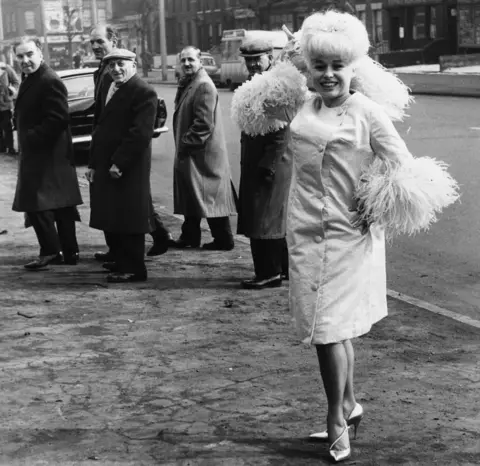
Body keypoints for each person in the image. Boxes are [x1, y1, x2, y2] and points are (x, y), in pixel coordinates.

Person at [233, 11, 459, 463]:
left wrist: (375, 202)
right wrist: (293, 58)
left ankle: (337, 419)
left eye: (338, 66)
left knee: (327, 331)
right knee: (332, 330)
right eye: (319, 66)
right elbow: (251, 109)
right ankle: (351, 404)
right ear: (309, 69)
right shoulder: (300, 103)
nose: (329, 75)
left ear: (356, 66)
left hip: (348, 236)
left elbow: (406, 169)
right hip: (302, 231)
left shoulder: (368, 113)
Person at [89, 24, 172, 261]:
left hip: (122, 155)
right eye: (92, 42)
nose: (95, 46)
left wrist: (119, 158)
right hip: (108, 152)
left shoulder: (122, 75)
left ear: (114, 40)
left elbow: (137, 129)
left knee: (129, 205)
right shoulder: (103, 71)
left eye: (100, 41)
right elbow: (100, 115)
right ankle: (121, 252)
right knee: (119, 204)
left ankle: (137, 250)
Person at [85, 49, 158, 283]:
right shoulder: (112, 87)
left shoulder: (143, 91)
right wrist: (94, 163)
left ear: (133, 65)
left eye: (121, 64)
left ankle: (135, 269)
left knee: (130, 216)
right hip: (108, 162)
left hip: (129, 165)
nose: (116, 69)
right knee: (115, 213)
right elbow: (101, 128)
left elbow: (140, 133)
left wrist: (120, 162)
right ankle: (121, 259)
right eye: (112, 65)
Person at [12, 36, 83, 269]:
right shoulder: (33, 78)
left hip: (47, 154)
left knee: (37, 204)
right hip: (48, 155)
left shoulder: (47, 79)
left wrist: (32, 138)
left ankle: (51, 251)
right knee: (61, 205)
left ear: (40, 53)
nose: (25, 60)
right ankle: (70, 252)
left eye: (29, 54)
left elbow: (59, 117)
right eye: (20, 56)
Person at [233, 38, 291, 290]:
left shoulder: (275, 87)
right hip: (263, 162)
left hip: (271, 164)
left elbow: (283, 131)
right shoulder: (257, 83)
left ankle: (269, 273)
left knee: (264, 219)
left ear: (270, 57)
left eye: (258, 58)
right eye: (249, 59)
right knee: (271, 217)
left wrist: (268, 164)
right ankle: (284, 270)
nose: (254, 63)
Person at [170, 46, 236, 251]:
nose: (187, 64)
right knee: (195, 194)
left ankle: (223, 239)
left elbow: (204, 124)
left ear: (200, 62)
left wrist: (185, 144)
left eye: (191, 60)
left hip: (203, 153)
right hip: (197, 153)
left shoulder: (203, 86)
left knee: (210, 196)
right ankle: (190, 236)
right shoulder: (191, 83)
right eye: (183, 61)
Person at [0, 61, 20, 155]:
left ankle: (10, 147)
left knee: (7, 126)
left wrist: (11, 93)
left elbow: (16, 82)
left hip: (5, 103)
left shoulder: (6, 68)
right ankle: (1, 147)